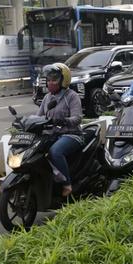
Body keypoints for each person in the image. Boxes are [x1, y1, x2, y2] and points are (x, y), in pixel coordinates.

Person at [36, 63, 83, 197]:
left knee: (55, 151)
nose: (50, 83)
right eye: (49, 79)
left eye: (54, 79)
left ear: (63, 80)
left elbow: (78, 118)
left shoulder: (71, 96)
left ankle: (67, 184)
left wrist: (64, 120)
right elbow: (38, 116)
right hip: (52, 134)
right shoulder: (47, 97)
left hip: (71, 134)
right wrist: (25, 122)